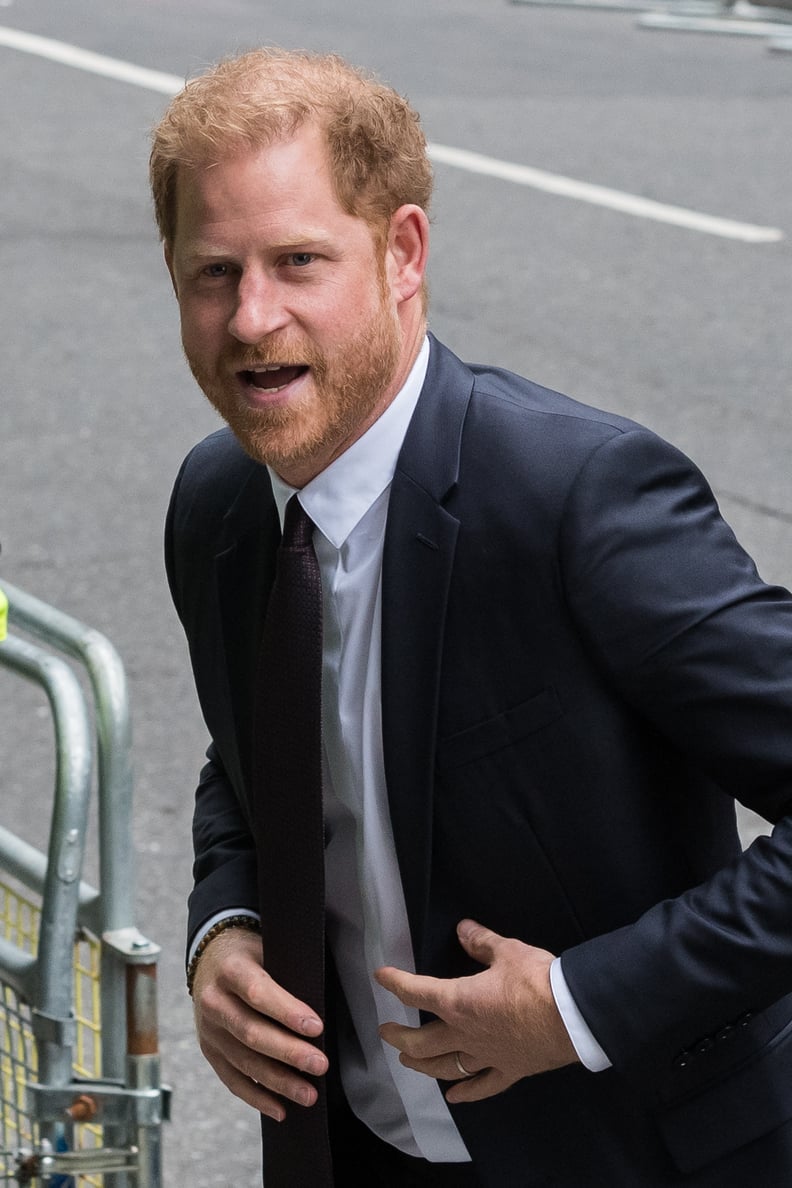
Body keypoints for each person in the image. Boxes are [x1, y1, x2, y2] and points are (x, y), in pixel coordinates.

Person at [151, 48, 792, 1186]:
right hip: (356, 1152)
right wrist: (225, 925)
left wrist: (581, 1004)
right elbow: (254, 761)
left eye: (300, 261)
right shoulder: (220, 505)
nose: (252, 318)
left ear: (402, 254)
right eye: (214, 272)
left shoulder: (576, 498)